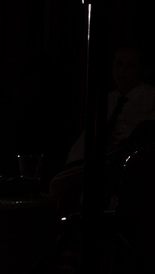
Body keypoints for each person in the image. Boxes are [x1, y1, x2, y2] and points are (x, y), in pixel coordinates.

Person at [50, 45, 155, 218]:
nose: (123, 70)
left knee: (62, 184)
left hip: (122, 160)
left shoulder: (150, 98)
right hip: (96, 158)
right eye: (119, 64)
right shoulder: (108, 100)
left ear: (144, 70)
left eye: (131, 65)